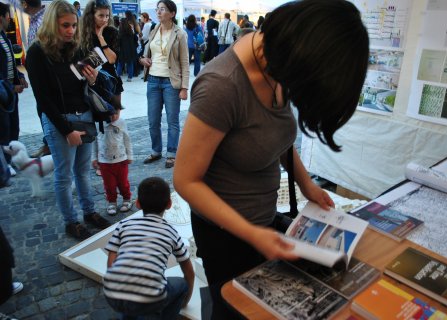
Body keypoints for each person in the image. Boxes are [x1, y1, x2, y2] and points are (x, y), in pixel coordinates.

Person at [172, 0, 369, 318]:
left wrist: (307, 185)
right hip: (225, 233)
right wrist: (251, 234)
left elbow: (273, 137)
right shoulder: (223, 85)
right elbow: (185, 180)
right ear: (301, 52)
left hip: (261, 222)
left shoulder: (277, 65)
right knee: (235, 310)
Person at [26, 0, 111, 240]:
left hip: (83, 115)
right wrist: (66, 130)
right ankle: (71, 221)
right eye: (65, 25)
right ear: (53, 23)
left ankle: (89, 212)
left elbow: (83, 85)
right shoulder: (36, 52)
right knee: (64, 176)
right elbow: (43, 99)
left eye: (74, 25)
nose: (70, 30)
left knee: (83, 171)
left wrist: (92, 79)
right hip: (59, 120)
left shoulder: (77, 48)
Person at [103, 177, 195, 319]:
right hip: (151, 298)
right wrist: (186, 301)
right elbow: (189, 271)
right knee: (181, 284)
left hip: (112, 292)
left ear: (138, 203)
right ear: (169, 204)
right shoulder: (171, 233)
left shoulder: (124, 225)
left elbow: (111, 260)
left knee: (128, 305)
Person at [139, 0, 189, 168]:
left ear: (172, 13)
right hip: (153, 80)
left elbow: (184, 62)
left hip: (171, 82)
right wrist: (142, 60)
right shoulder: (154, 30)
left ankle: (171, 153)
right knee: (153, 120)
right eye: (157, 9)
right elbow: (146, 53)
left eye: (162, 9)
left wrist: (184, 87)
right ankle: (156, 151)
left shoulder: (180, 34)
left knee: (172, 120)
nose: (158, 12)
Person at [0, 2, 28, 178]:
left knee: (13, 127)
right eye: (8, 15)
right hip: (3, 93)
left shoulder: (4, 36)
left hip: (10, 93)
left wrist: (20, 77)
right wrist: (11, 85)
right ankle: (5, 165)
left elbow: (10, 64)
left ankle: (12, 161)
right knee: (4, 129)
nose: (10, 18)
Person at [80, 0, 123, 107]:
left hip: (110, 80)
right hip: (89, 79)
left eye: (107, 16)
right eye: (101, 16)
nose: (105, 19)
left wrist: (101, 37)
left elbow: (112, 59)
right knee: (93, 117)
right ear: (91, 16)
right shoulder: (83, 34)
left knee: (114, 119)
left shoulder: (112, 32)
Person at [22, 0, 50, 159]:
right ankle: (48, 142)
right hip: (39, 75)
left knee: (46, 109)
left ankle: (50, 143)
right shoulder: (35, 21)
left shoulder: (42, 21)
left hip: (45, 76)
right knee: (42, 109)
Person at [92, 109, 133, 216]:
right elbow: (94, 141)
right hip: (104, 161)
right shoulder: (97, 123)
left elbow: (127, 139)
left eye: (116, 113)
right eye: (111, 114)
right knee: (109, 184)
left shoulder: (121, 122)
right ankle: (112, 202)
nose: (114, 116)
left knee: (123, 183)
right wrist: (94, 158)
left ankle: (127, 199)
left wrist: (129, 155)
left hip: (121, 160)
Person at [116, 17, 137, 82]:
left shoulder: (120, 32)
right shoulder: (131, 31)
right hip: (131, 50)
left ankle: (117, 77)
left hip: (122, 50)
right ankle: (130, 78)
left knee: (120, 64)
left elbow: (118, 42)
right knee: (130, 63)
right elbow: (136, 39)